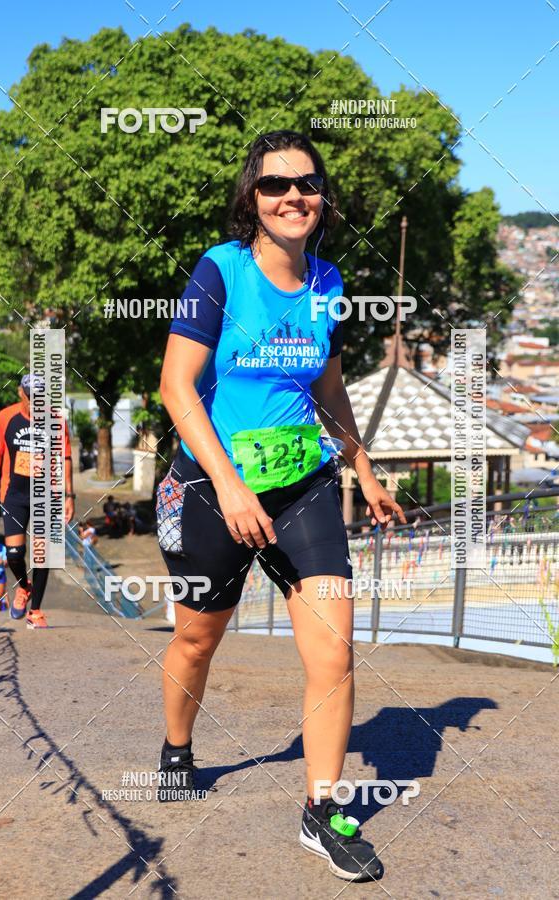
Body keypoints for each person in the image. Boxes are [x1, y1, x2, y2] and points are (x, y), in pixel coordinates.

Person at [155, 130, 406, 883]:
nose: (292, 195)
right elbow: (174, 387)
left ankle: (322, 811)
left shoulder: (329, 280)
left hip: (303, 485)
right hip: (211, 487)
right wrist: (229, 485)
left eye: (306, 183)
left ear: (322, 197)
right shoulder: (220, 273)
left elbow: (327, 392)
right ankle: (176, 749)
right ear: (251, 200)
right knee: (198, 642)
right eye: (275, 185)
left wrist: (362, 468)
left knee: (334, 650)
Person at [0, 374, 75, 629]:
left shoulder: (55, 419)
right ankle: (24, 586)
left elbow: (65, 457)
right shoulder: (5, 417)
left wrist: (69, 496)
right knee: (13, 555)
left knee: (42, 556)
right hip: (14, 495)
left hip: (46, 494)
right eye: (31, 398)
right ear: (21, 393)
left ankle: (36, 611)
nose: (36, 403)